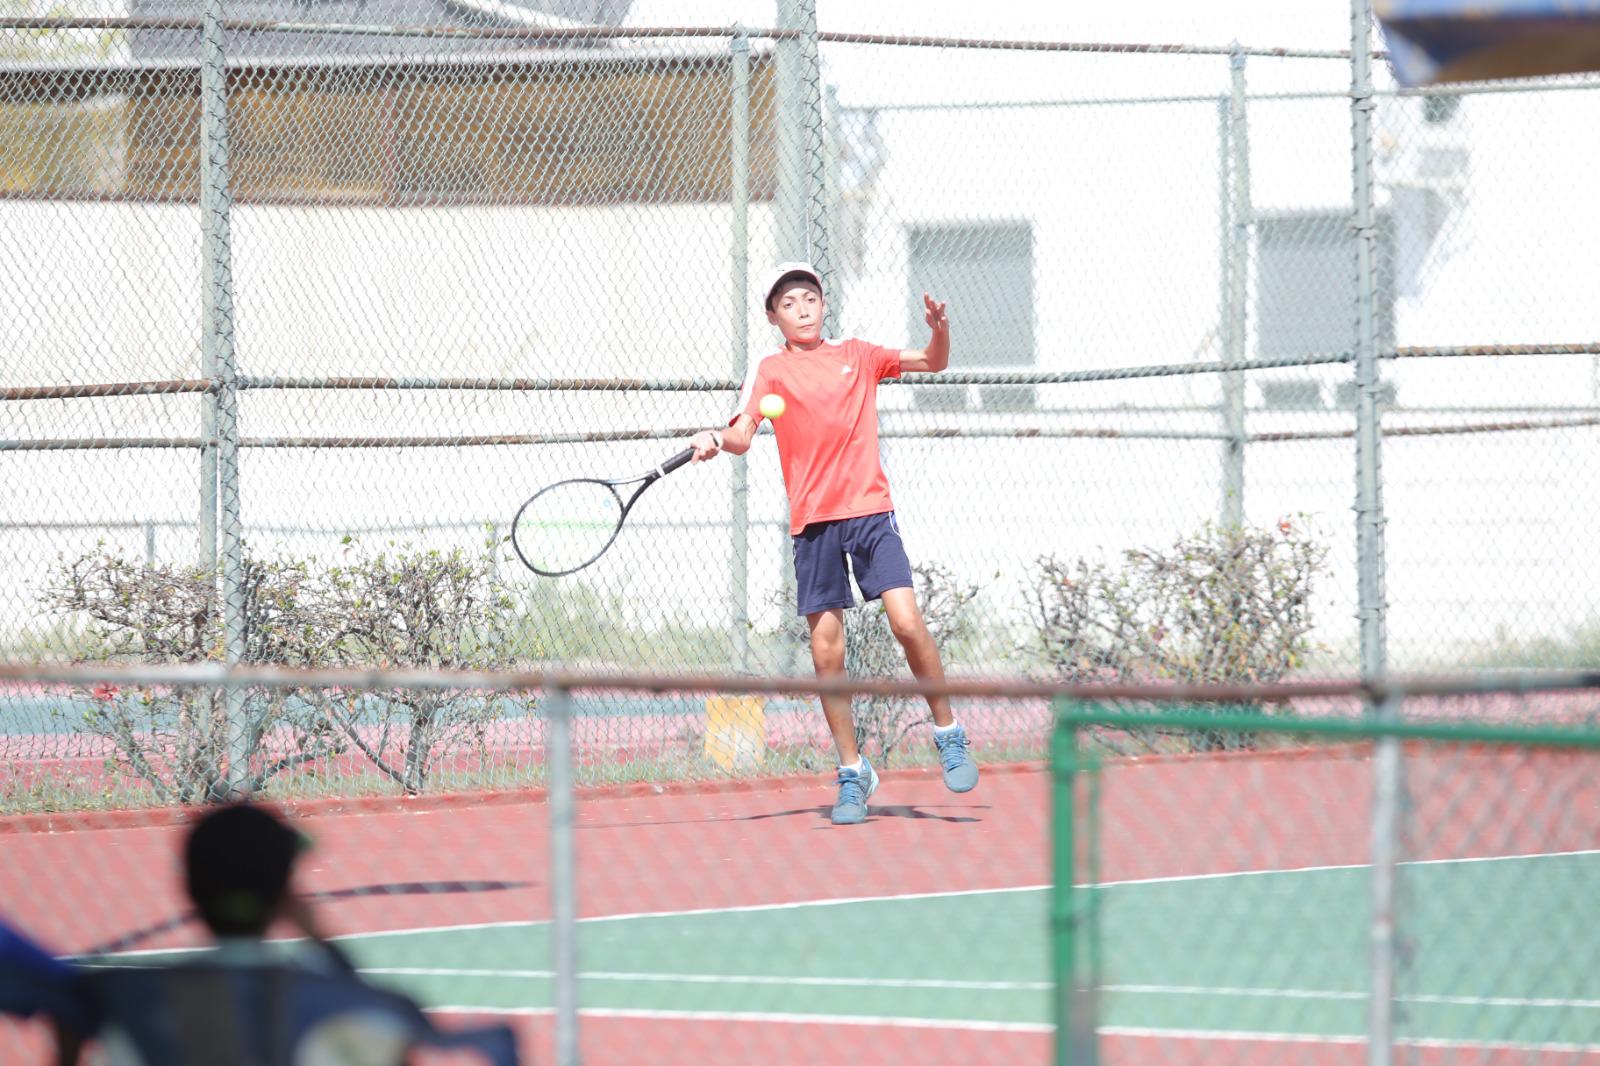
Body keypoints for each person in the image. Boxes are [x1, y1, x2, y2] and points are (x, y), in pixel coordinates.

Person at [687, 261, 979, 825]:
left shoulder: (860, 355)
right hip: (814, 524)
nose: (802, 308)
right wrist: (713, 439)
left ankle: (949, 730)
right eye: (788, 302)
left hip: (870, 511)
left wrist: (939, 329)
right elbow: (743, 436)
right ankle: (853, 772)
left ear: (824, 305)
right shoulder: (769, 370)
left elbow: (934, 361)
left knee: (907, 622)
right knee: (827, 653)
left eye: (810, 298)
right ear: (773, 317)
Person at [85, 803, 515, 1066]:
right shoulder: (347, 1004)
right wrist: (320, 940)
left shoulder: (131, 1006)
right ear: (285, 897)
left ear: (190, 892)